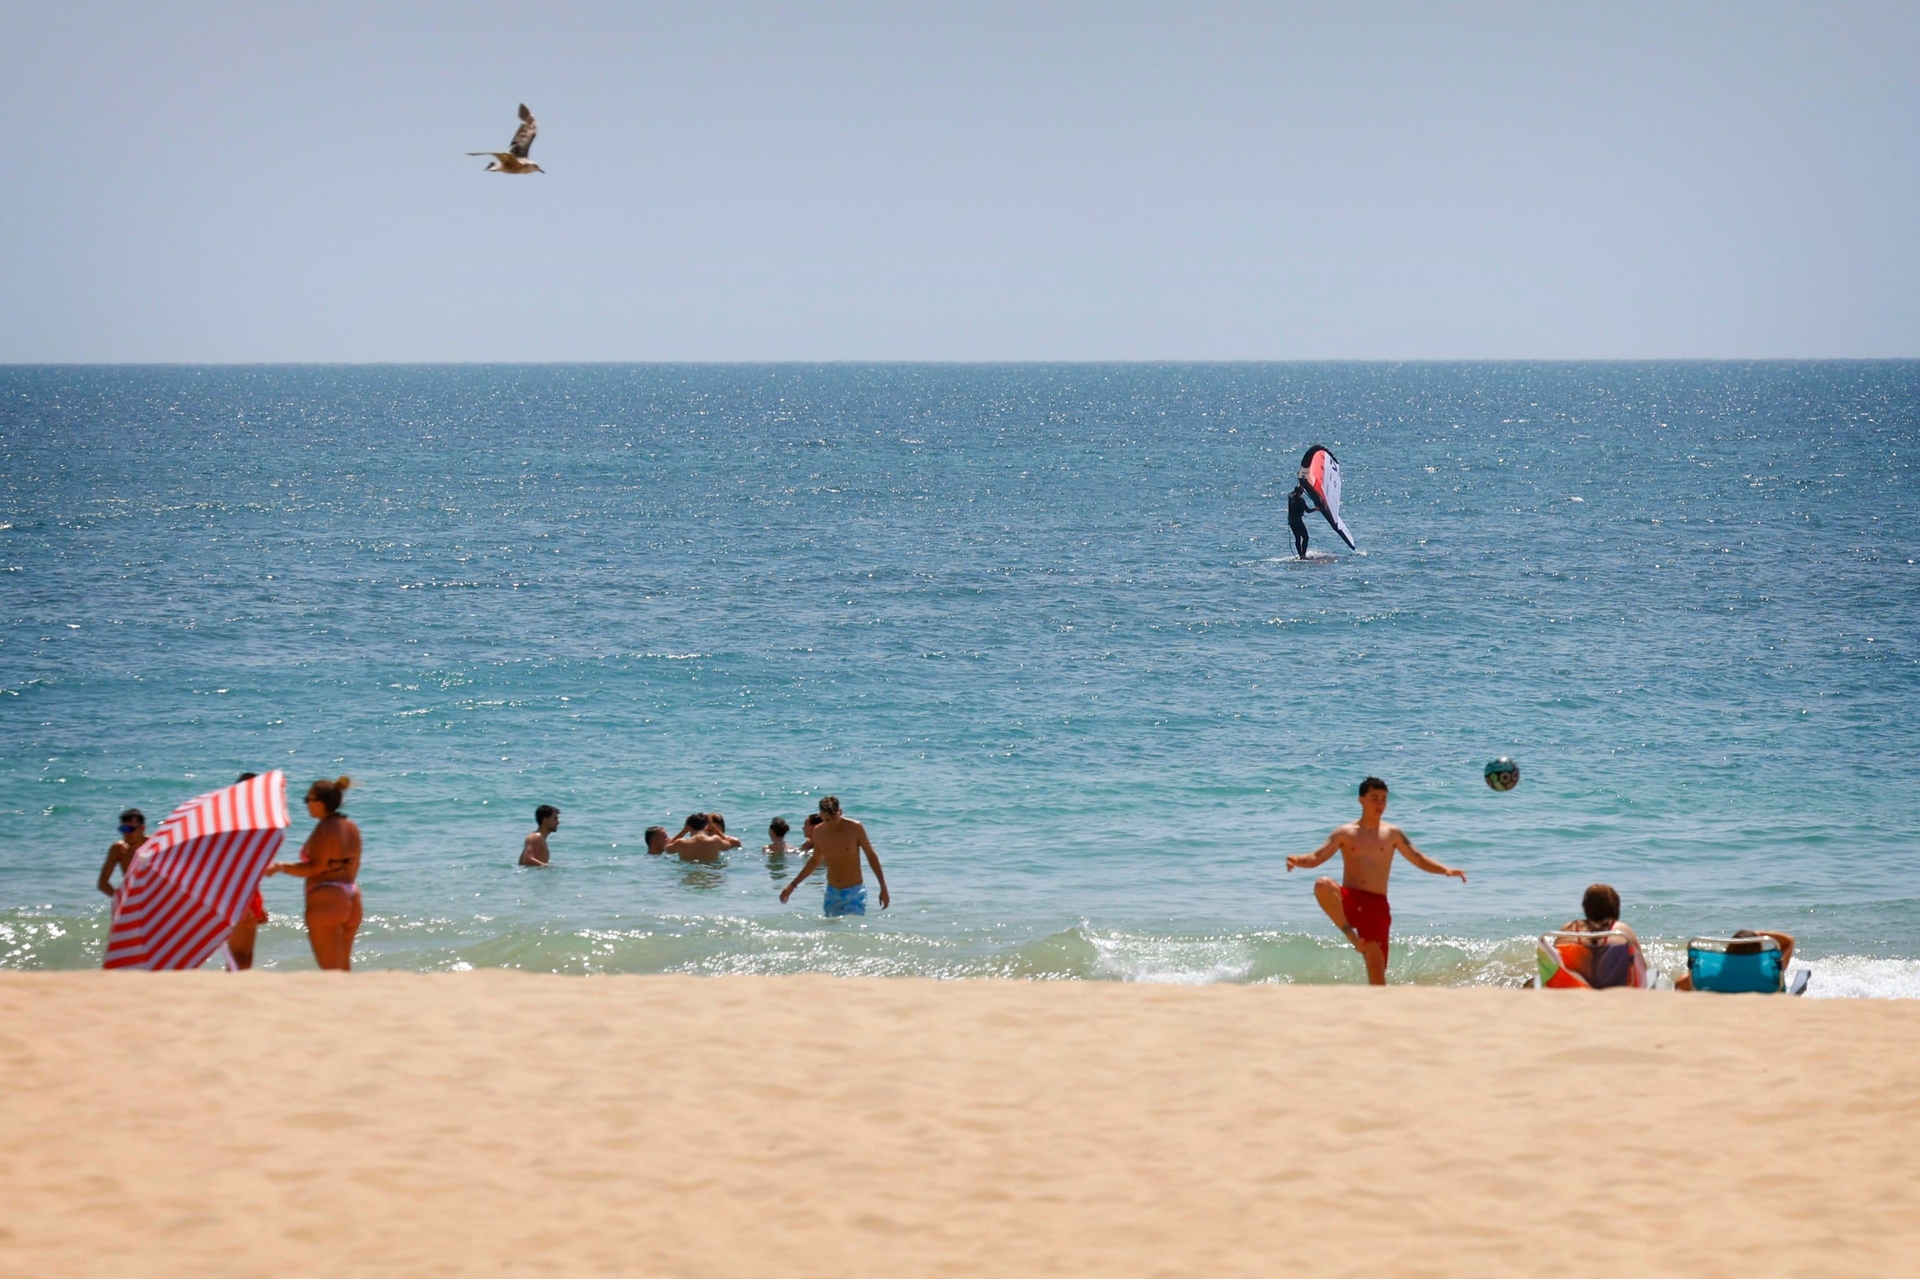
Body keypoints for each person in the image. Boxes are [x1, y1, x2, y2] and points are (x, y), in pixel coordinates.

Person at [1286, 777, 1466, 985]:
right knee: (1322, 885)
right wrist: (1297, 860)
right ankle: (1350, 934)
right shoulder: (1345, 833)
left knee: (1377, 973)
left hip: (1376, 906)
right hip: (1350, 900)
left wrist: (1446, 870)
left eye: (1383, 799)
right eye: (1374, 798)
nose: (1379, 804)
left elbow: (1418, 858)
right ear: (1361, 800)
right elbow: (1317, 857)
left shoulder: (1392, 834)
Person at [266, 777, 362, 971]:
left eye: (307, 799)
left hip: (327, 899)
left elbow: (315, 867)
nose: (306, 804)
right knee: (343, 967)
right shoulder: (350, 826)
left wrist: (281, 866)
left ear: (319, 803)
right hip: (351, 896)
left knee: (331, 971)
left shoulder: (325, 829)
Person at [780, 796, 890, 916]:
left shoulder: (855, 828)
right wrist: (792, 885)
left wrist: (883, 887)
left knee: (850, 929)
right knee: (832, 931)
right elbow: (815, 861)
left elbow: (871, 856)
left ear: (840, 812)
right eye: (827, 820)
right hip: (832, 893)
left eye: (833, 818)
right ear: (821, 815)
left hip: (854, 892)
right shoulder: (819, 832)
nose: (831, 823)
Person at [1551, 884, 1647, 990]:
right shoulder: (1621, 931)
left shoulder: (1568, 930)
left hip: (1576, 988)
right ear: (1614, 907)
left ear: (1586, 907)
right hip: (1615, 988)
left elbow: (1553, 965)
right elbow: (1642, 967)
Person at [227, 773, 269, 970]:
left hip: (248, 890)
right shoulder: (236, 824)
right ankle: (230, 997)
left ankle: (235, 996)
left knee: (245, 957)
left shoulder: (249, 824)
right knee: (239, 956)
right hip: (237, 892)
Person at [1675, 929, 1796, 991]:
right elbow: (1789, 941)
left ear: (1729, 950)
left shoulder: (1711, 977)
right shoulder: (1771, 976)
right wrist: (1757, 934)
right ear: (1759, 954)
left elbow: (1680, 985)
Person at [95, 808, 147, 900]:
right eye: (123, 829)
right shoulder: (118, 849)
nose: (127, 833)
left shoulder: (156, 844)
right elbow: (102, 883)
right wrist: (121, 900)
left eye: (130, 829)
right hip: (133, 898)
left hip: (157, 895)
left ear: (142, 828)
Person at [664, 813, 738, 863]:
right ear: (707, 826)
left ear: (688, 827)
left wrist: (683, 831)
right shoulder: (716, 840)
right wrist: (714, 828)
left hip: (690, 876)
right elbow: (729, 844)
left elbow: (666, 848)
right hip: (711, 874)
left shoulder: (680, 843)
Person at [1287, 479, 1318, 559]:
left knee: (1297, 538)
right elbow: (1308, 510)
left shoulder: (1290, 497)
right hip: (1297, 521)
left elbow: (1291, 492)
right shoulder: (1300, 500)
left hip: (1291, 520)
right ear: (1301, 492)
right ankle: (1303, 555)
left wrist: (1300, 484)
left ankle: (1301, 555)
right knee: (1305, 537)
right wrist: (1316, 509)